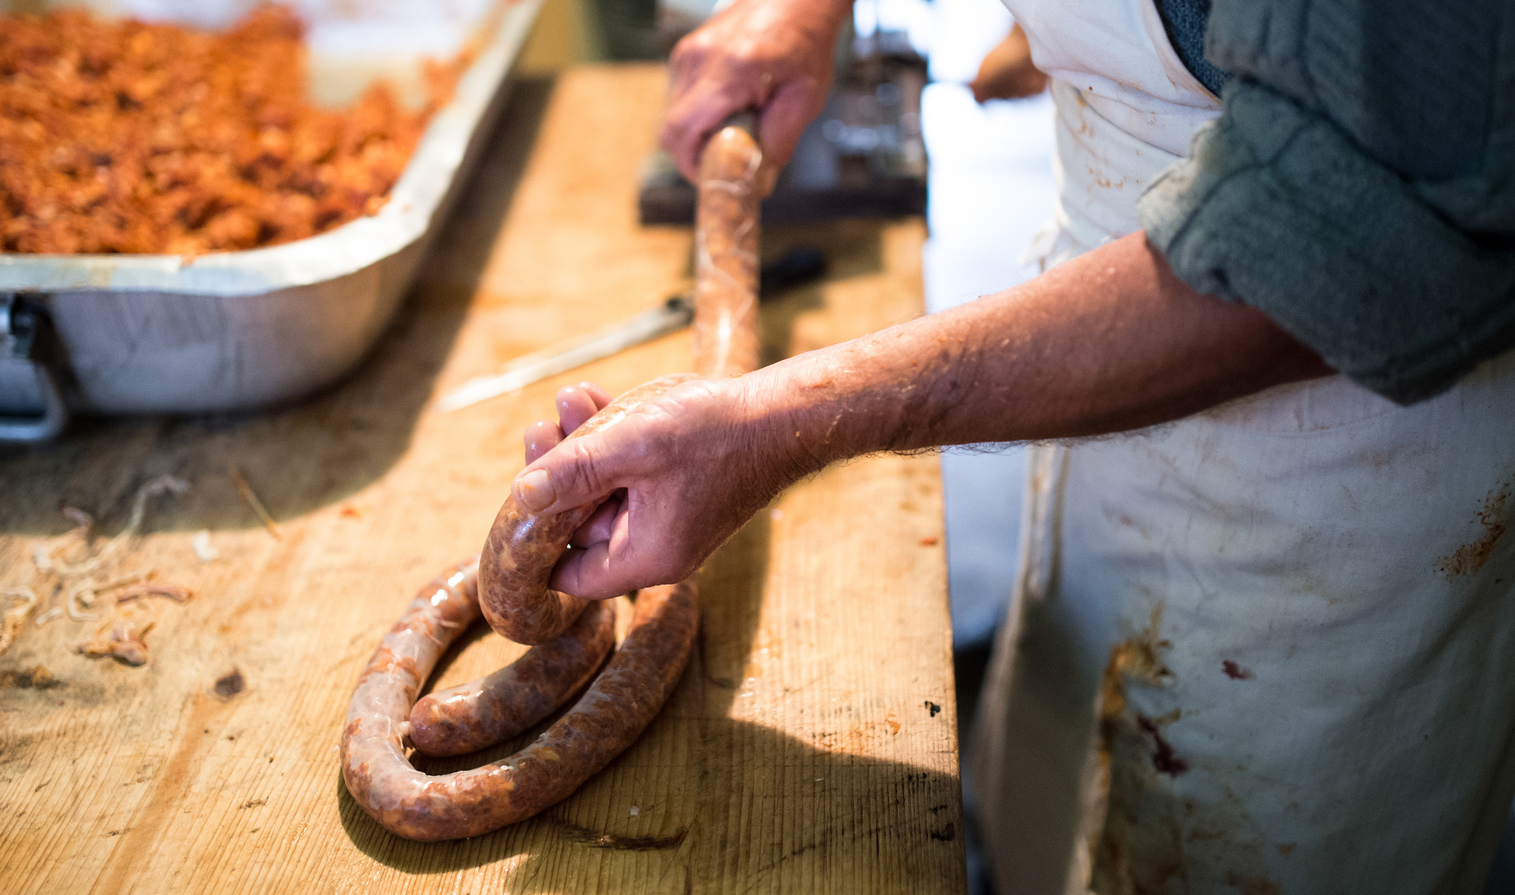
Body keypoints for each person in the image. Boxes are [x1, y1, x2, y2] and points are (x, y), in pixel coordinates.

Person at [514, 0, 1515, 891]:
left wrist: (781, 422)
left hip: (1339, 484)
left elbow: (1335, 235)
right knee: (1048, 795)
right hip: (1096, 351)